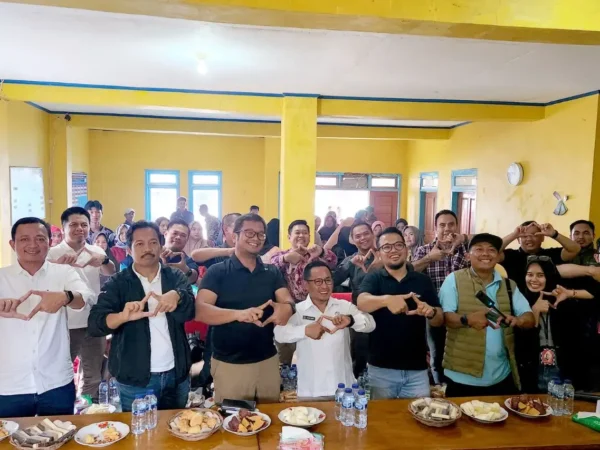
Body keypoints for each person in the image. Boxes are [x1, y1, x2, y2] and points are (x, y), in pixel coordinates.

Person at [88, 221, 196, 411]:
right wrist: (122, 316)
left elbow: (190, 310)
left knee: (177, 434)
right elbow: (96, 323)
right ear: (129, 249)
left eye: (153, 242)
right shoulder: (118, 283)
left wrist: (177, 296)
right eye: (139, 244)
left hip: (176, 376)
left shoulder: (175, 277)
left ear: (161, 245)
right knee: (138, 436)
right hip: (135, 381)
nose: (148, 248)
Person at [195, 214, 296, 402]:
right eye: (249, 233)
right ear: (235, 236)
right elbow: (201, 310)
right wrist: (238, 314)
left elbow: (287, 300)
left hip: (267, 359)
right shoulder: (218, 272)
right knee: (234, 422)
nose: (255, 238)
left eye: (260, 234)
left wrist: (287, 309)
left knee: (269, 419)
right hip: (230, 363)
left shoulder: (271, 272)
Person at [0, 217, 94, 417]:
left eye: (40, 239)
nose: (33, 245)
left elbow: (86, 298)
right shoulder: (2, 278)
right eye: (24, 239)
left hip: (56, 383)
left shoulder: (63, 272)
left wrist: (65, 297)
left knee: (60, 439)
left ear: (50, 242)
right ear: (12, 244)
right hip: (9, 385)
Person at [439, 233, 535, 397]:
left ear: (498, 256)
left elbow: (530, 318)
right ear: (468, 256)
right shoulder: (453, 280)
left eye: (491, 250)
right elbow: (445, 318)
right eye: (479, 249)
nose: (485, 253)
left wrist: (518, 320)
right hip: (461, 376)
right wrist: (467, 319)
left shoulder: (509, 285)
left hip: (501, 376)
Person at [357, 227, 444, 399]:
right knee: (382, 421)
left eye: (398, 245)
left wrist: (431, 312)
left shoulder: (422, 280)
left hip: (417, 371)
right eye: (387, 247)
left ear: (406, 248)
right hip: (381, 369)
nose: (393, 250)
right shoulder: (374, 278)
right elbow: (361, 302)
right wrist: (387, 300)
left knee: (418, 421)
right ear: (380, 253)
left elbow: (439, 320)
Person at [274, 261, 375, 399]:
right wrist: (305, 330)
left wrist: (350, 320)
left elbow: (371, 324)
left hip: (344, 388)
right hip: (311, 390)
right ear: (306, 284)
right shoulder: (298, 310)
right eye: (318, 281)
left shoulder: (344, 306)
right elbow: (279, 334)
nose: (324, 286)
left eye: (328, 280)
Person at [47, 207, 115, 401]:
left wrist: (104, 260)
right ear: (64, 227)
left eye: (84, 225)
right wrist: (57, 266)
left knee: (93, 374)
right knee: (61, 372)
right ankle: (64, 412)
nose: (80, 229)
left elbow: (111, 271)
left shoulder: (95, 250)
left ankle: (87, 412)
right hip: (64, 323)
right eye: (74, 224)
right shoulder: (52, 254)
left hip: (92, 322)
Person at [412, 210, 470, 383]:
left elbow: (493, 242)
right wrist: (430, 258)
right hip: (433, 312)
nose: (447, 229)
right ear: (435, 228)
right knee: (437, 356)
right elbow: (409, 273)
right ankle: (440, 388)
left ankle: (458, 387)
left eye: (451, 224)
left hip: (462, 312)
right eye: (442, 225)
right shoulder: (425, 250)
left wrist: (465, 239)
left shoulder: (467, 249)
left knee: (462, 355)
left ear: (457, 226)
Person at [333, 221, 383, 377]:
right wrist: (350, 265)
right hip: (360, 315)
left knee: (382, 355)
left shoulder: (386, 255)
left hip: (385, 312)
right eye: (358, 236)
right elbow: (333, 280)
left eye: (366, 233)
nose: (363, 238)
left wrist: (382, 266)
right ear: (352, 240)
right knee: (358, 357)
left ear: (373, 234)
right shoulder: (351, 260)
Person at [499, 221, 581, 293]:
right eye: (524, 236)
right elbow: (493, 250)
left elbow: (575, 249)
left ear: (542, 238)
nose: (529, 239)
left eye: (534, 235)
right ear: (518, 239)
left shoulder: (551, 254)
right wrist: (513, 235)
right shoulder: (510, 255)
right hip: (519, 305)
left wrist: (554, 234)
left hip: (550, 303)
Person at [271, 220, 338, 302]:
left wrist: (321, 251)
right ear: (289, 237)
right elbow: (271, 267)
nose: (301, 235)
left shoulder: (316, 254)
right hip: (290, 306)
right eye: (297, 233)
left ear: (309, 237)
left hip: (316, 303)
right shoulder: (282, 255)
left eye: (305, 233)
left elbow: (334, 262)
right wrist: (286, 258)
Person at [161, 219, 200, 285]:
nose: (178, 237)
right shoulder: (154, 254)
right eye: (175, 233)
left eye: (183, 235)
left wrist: (185, 269)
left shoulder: (187, 260)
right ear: (165, 234)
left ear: (187, 240)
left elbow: (193, 278)